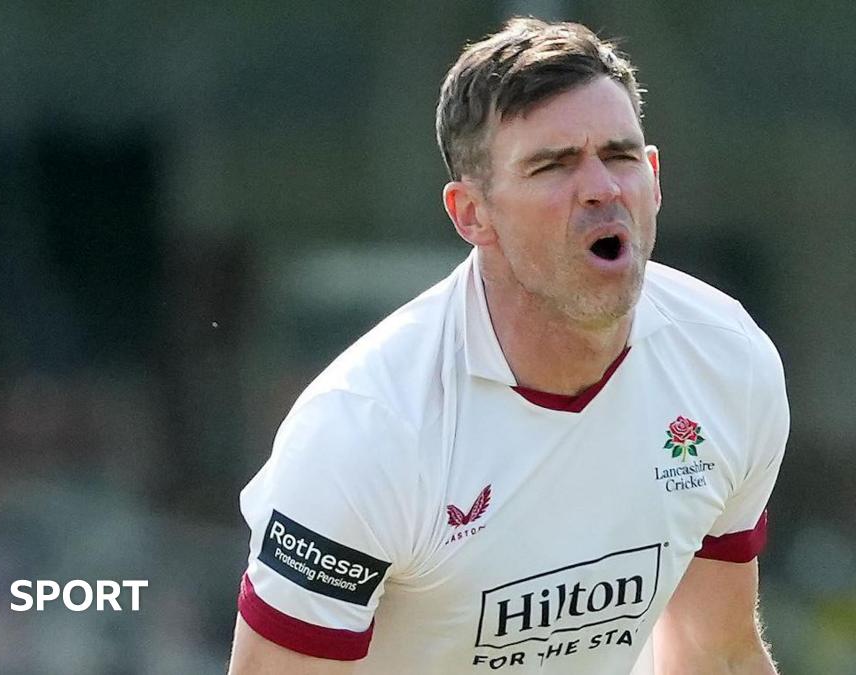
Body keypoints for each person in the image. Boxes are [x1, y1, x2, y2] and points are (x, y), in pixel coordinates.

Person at [228, 17, 789, 675]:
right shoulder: (365, 427)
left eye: (620, 155)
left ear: (654, 177)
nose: (602, 189)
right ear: (472, 214)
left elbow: (713, 653)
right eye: (553, 165)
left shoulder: (727, 363)